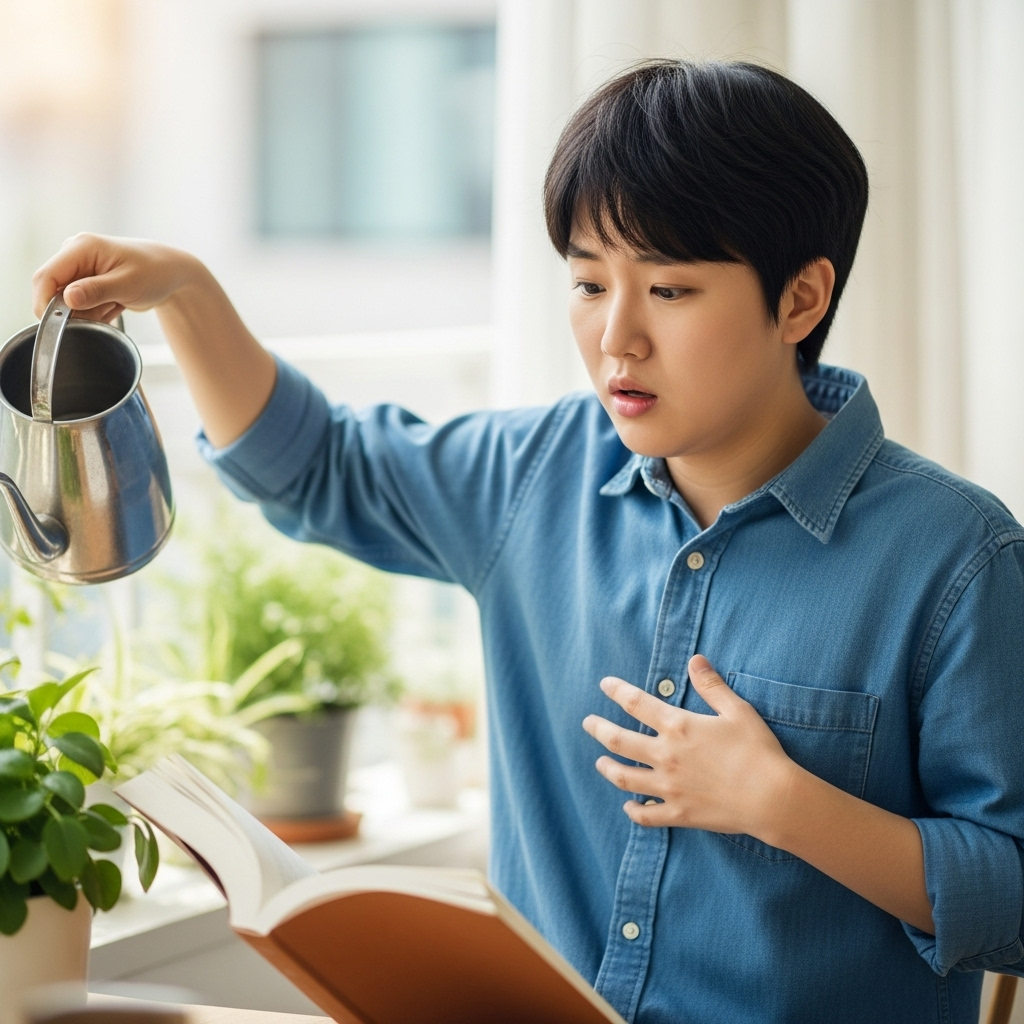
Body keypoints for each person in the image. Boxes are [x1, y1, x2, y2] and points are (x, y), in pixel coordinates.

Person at [32, 60, 1023, 1024]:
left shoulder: (954, 557)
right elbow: (318, 465)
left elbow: (1012, 893)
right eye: (589, 284)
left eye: (669, 291)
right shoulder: (535, 471)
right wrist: (188, 295)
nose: (616, 338)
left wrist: (783, 803)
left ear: (799, 300)